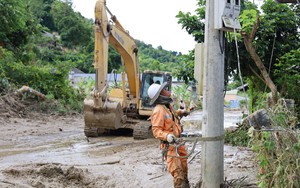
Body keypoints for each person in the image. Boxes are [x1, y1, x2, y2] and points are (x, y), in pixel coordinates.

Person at [147, 82, 189, 188]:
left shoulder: (167, 106)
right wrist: (167, 136)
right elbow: (156, 131)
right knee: (178, 173)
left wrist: (182, 112)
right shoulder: (158, 110)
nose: (167, 91)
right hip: (170, 146)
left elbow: (173, 116)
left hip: (178, 143)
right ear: (160, 95)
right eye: (164, 90)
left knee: (184, 169)